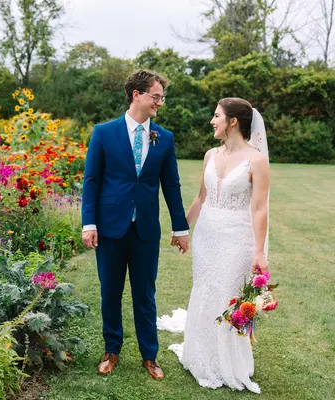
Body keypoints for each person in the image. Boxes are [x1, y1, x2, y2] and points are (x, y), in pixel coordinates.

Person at [81, 69, 190, 379]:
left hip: (145, 231)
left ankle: (150, 356)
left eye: (162, 98)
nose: (160, 103)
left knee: (145, 294)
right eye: (156, 97)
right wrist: (89, 223)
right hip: (110, 228)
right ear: (136, 95)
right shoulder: (104, 133)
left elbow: (172, 186)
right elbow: (91, 181)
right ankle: (111, 350)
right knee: (110, 292)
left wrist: (181, 228)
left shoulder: (164, 138)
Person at [158, 97, 270, 393]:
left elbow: (260, 208)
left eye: (217, 115)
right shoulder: (210, 155)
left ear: (233, 121)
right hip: (206, 235)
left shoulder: (256, 160)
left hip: (237, 237)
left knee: (226, 295)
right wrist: (182, 228)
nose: (212, 120)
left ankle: (226, 362)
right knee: (204, 288)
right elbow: (201, 198)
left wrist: (259, 251)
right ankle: (199, 354)